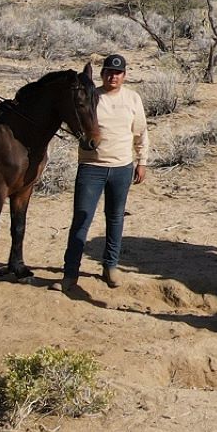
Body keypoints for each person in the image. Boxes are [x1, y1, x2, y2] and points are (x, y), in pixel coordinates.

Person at [61, 53, 148, 293]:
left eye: (118, 73)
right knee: (82, 217)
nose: (113, 76)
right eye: (109, 72)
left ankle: (110, 265)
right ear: (102, 74)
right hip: (92, 167)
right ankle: (70, 272)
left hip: (122, 166)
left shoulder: (132, 98)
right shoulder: (92, 96)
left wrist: (142, 161)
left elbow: (140, 132)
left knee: (115, 217)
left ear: (124, 76)